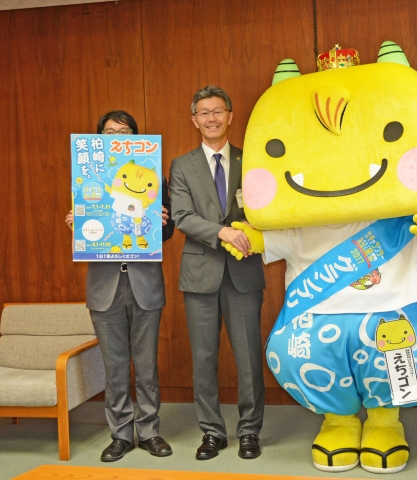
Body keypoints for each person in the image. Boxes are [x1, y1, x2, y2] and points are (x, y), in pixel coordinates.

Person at [65, 110, 174, 462]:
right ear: (99, 139)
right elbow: (91, 228)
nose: (116, 137)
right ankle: (121, 435)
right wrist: (78, 223)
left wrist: (162, 222)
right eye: (109, 132)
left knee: (147, 366)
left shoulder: (153, 174)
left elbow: (167, 233)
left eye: (123, 132)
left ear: (134, 139)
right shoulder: (88, 178)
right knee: (114, 367)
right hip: (104, 286)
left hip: (145, 283)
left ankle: (150, 431)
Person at [169, 85, 266, 460]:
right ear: (194, 120)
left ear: (230, 116)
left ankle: (249, 431)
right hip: (200, 273)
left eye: (217, 111)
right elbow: (182, 216)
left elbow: (267, 208)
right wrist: (222, 232)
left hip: (244, 271)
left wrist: (254, 226)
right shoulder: (182, 165)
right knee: (204, 358)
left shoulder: (252, 160)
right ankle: (212, 432)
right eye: (204, 113)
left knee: (249, 358)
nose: (211, 118)